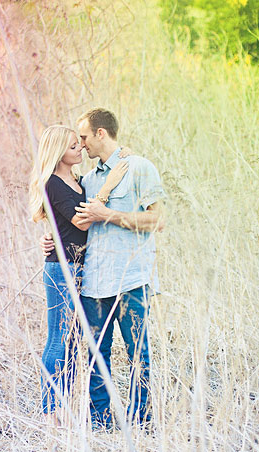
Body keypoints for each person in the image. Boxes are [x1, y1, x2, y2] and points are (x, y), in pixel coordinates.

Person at [40, 108, 167, 430]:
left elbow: (158, 221)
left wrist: (106, 214)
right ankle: (102, 420)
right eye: (75, 142)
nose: (80, 146)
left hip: (130, 277)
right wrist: (51, 238)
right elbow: (72, 217)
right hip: (94, 281)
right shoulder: (89, 179)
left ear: (100, 134)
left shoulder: (139, 168)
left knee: (138, 353)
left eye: (83, 138)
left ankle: (142, 420)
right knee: (97, 355)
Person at [28, 125, 129, 426]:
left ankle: (63, 408)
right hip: (62, 269)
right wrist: (109, 187)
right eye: (73, 146)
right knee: (59, 339)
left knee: (73, 341)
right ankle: (49, 414)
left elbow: (65, 224)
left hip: (81, 267)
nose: (80, 149)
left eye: (79, 144)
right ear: (59, 152)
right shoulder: (53, 183)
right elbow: (82, 223)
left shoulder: (75, 180)